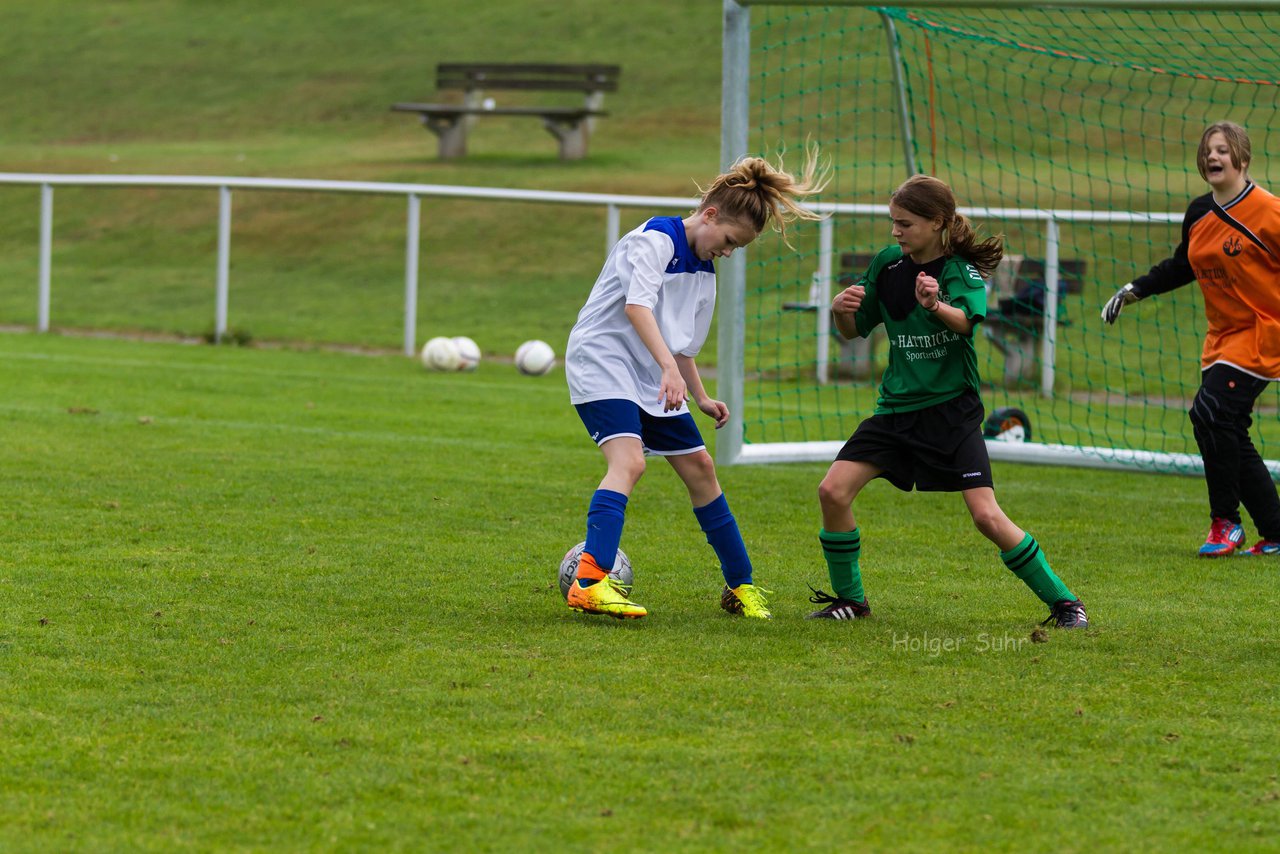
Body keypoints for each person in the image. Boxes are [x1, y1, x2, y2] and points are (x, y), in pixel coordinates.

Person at [808, 174, 1088, 628]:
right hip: (895, 411)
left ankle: (1066, 603)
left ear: (938, 222)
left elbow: (966, 324)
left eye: (905, 223)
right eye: (892, 222)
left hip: (950, 413)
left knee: (985, 515)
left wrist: (935, 305)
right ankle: (852, 601)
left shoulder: (961, 271)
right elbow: (855, 330)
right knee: (832, 491)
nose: (895, 231)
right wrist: (840, 311)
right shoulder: (886, 265)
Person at [564, 150, 827, 620]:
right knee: (629, 462)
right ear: (709, 214)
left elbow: (682, 348)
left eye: (736, 249)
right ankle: (588, 582)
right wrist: (667, 368)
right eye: (727, 240)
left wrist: (700, 395)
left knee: (702, 469)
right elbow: (637, 309)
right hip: (602, 360)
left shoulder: (704, 271)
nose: (727, 252)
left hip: (652, 372)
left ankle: (741, 587)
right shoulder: (654, 240)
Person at [1102, 120, 1280, 558]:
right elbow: (1183, 265)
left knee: (1210, 411)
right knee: (1223, 425)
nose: (1212, 157)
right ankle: (1275, 530)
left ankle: (1226, 523)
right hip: (1223, 338)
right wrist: (1134, 289)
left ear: (1242, 156)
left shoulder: (1269, 212)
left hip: (1264, 332)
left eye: (1221, 150)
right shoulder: (1200, 212)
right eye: (1206, 151)